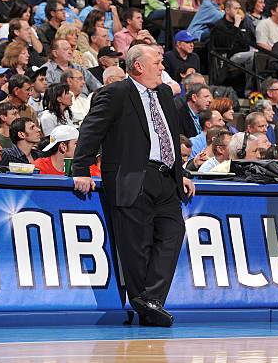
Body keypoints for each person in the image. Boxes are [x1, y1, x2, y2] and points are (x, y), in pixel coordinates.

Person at [72, 44, 195, 327]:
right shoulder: (115, 93)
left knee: (173, 233)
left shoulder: (163, 93)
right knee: (136, 245)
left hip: (166, 178)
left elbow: (167, 136)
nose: (163, 67)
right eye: (158, 62)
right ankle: (149, 306)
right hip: (132, 177)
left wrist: (181, 173)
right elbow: (91, 130)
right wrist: (81, 169)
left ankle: (149, 299)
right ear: (138, 66)